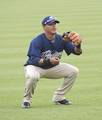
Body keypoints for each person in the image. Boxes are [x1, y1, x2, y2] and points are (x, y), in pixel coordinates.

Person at [22, 16, 82, 108]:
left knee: (74, 71)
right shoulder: (37, 41)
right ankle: (27, 100)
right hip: (35, 67)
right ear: (44, 27)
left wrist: (78, 45)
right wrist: (49, 60)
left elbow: (77, 52)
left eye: (55, 24)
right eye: (50, 24)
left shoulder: (62, 39)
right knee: (32, 76)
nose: (54, 26)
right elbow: (34, 59)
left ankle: (59, 97)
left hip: (52, 67)